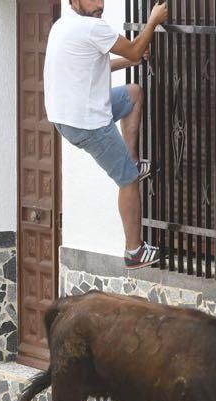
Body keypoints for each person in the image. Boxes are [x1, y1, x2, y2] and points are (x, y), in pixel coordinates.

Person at [45, 0, 166, 270]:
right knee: (128, 180)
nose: (99, 4)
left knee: (132, 94)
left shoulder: (62, 26)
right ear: (73, 1)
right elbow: (135, 50)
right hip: (89, 123)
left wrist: (131, 58)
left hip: (66, 118)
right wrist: (153, 20)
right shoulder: (92, 29)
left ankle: (132, 159)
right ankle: (134, 250)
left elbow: (100, 65)